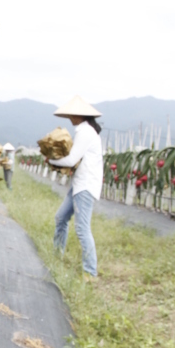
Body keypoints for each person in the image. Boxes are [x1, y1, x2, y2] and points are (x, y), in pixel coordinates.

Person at [47, 95, 103, 279]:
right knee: (60, 218)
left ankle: (90, 272)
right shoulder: (85, 131)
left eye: (72, 115)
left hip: (85, 186)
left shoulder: (85, 132)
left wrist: (52, 160)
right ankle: (57, 255)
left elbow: (72, 160)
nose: (70, 118)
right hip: (79, 184)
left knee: (82, 228)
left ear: (80, 115)